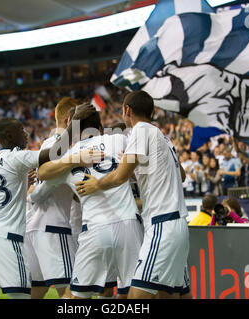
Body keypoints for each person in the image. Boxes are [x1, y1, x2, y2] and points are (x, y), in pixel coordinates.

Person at [75, 90, 191, 299]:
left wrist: (96, 185)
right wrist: (139, 169)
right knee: (175, 296)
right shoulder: (162, 137)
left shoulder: (141, 131)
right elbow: (180, 175)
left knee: (135, 298)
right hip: (178, 224)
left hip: (162, 225)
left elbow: (119, 176)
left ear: (127, 110)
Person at [0, 104, 95, 299]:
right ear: (10, 137)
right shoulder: (16, 157)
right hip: (7, 237)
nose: (26, 133)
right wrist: (76, 122)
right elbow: (52, 154)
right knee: (22, 295)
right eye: (21, 130)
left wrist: (18, 186)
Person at [36, 111, 143, 299]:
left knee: (77, 295)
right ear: (100, 128)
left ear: (74, 130)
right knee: (132, 294)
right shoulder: (117, 139)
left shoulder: (69, 156)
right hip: (128, 225)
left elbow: (42, 172)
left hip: (94, 228)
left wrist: (73, 159)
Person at [23, 97, 79, 299]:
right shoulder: (66, 148)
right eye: (79, 121)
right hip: (54, 227)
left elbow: (35, 193)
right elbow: (41, 190)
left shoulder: (45, 146)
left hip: (33, 227)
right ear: (68, 121)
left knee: (36, 291)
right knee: (72, 292)